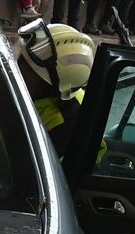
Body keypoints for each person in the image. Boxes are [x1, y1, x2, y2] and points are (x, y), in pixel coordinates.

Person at [14, 20, 96, 159]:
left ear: (48, 85)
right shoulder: (37, 96)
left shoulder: (63, 126)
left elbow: (23, 168)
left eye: (26, 68)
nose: (17, 69)